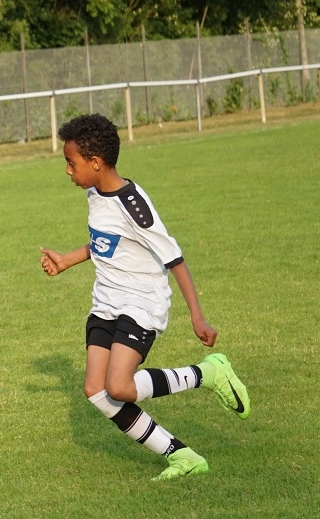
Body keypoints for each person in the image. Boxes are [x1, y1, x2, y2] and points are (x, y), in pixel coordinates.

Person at [39, 113, 250, 481]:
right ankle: (182, 456)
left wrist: (197, 316)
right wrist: (67, 259)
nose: (67, 171)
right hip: (105, 302)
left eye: (71, 163)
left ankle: (208, 373)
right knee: (95, 390)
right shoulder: (94, 193)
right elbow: (105, 242)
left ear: (95, 162)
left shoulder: (134, 205)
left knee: (119, 386)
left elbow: (175, 259)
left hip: (142, 302)